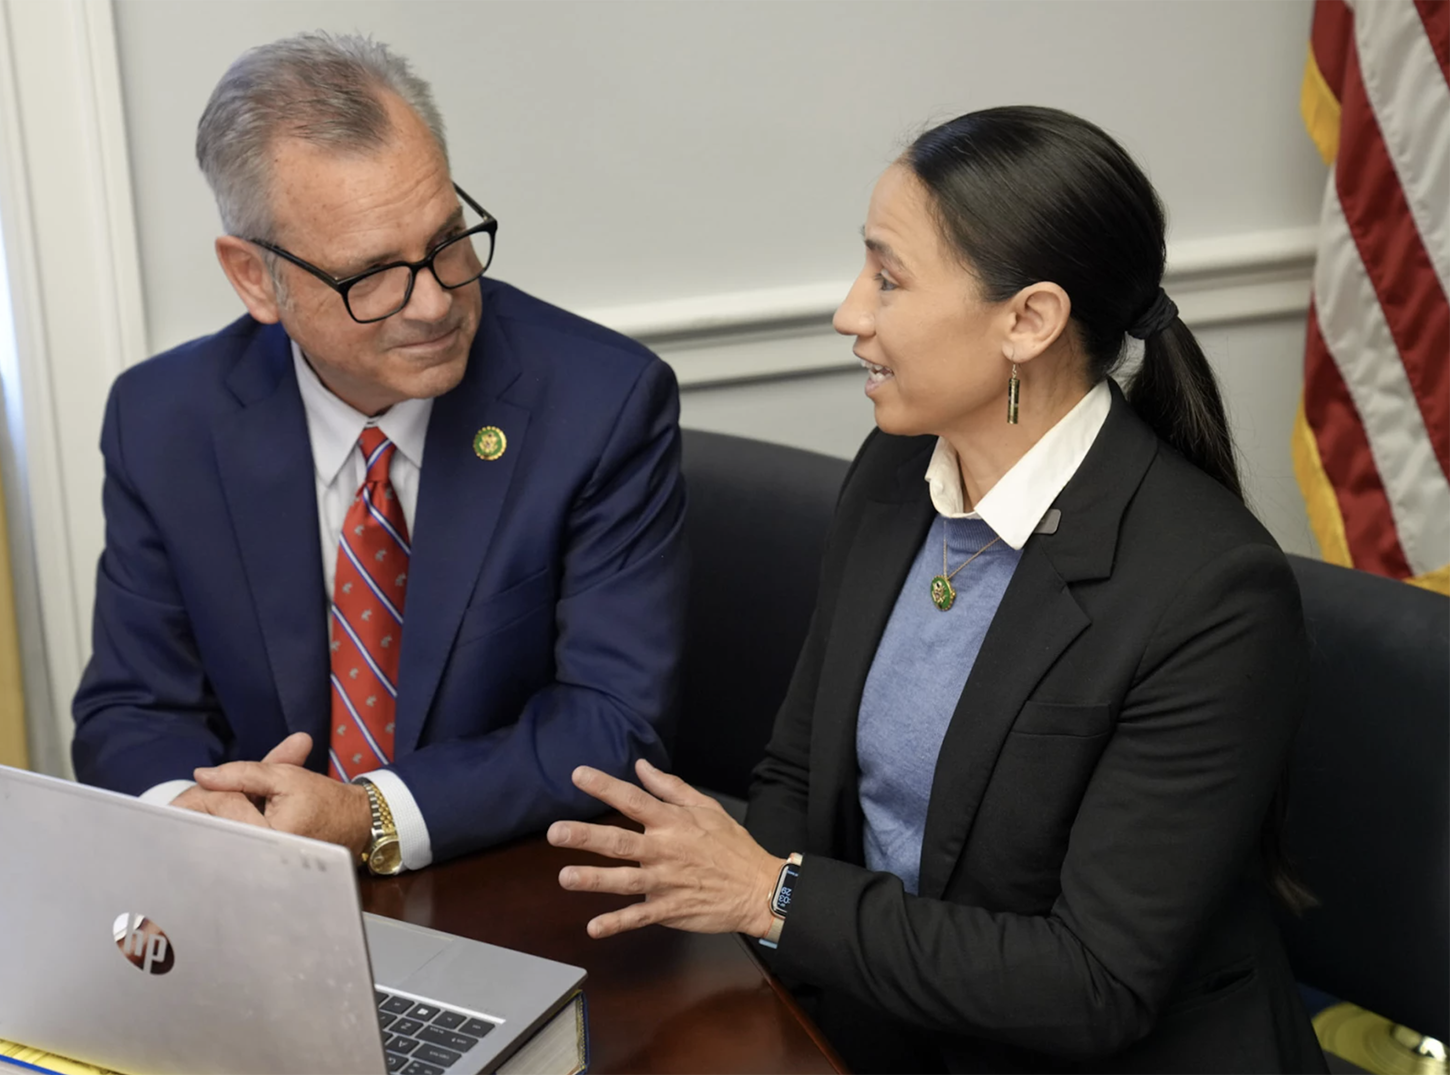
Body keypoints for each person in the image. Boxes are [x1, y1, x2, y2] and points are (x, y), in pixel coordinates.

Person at [547, 106, 1326, 1074]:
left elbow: (1093, 984)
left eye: (888, 276)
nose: (849, 313)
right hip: (886, 1021)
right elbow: (799, 772)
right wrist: (731, 909)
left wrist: (770, 897)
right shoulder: (895, 469)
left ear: (1028, 319)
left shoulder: (1212, 597)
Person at [72, 32, 686, 877]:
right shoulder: (165, 420)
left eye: (447, 240)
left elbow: (610, 720)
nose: (434, 302)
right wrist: (195, 809)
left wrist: (368, 815)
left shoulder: (599, 403)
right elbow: (132, 707)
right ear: (256, 278)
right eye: (372, 275)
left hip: (504, 886)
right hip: (259, 895)